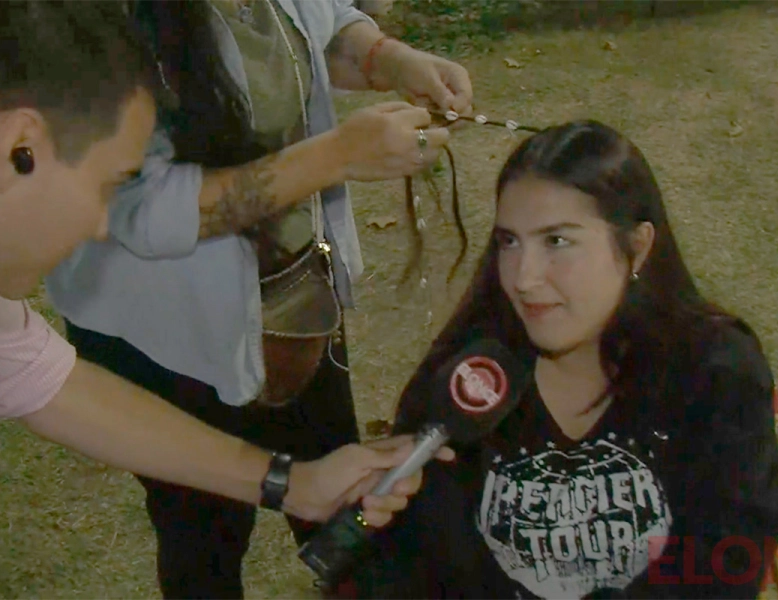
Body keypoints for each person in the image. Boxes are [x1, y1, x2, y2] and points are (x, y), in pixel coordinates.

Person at [44, 1, 474, 598]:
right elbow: (141, 212)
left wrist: (386, 57)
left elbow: (318, 24)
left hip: (292, 304)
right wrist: (337, 155)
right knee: (202, 528)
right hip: (165, 338)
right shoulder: (96, 24)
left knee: (350, 507)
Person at [347, 120, 778, 599]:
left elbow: (727, 564)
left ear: (637, 247)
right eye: (509, 242)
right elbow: (407, 561)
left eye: (556, 241)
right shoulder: (472, 378)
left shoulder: (714, 370)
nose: (524, 278)